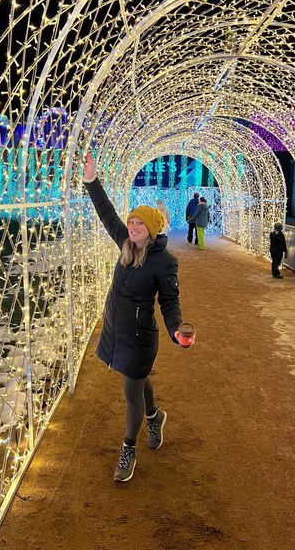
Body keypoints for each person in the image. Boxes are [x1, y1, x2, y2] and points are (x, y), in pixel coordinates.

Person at [83, 152, 195, 482]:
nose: (132, 226)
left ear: (152, 229)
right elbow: (106, 213)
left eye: (139, 223)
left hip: (140, 339)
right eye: (131, 222)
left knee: (130, 391)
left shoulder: (164, 262)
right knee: (139, 381)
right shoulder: (125, 245)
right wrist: (92, 180)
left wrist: (176, 329)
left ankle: (128, 448)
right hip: (116, 331)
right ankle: (155, 416)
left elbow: (170, 303)